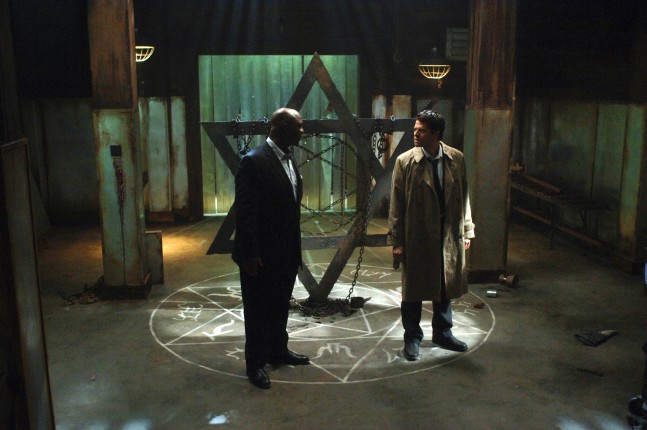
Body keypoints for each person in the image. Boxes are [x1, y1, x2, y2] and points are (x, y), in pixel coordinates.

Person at [232, 107, 310, 388]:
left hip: (285, 252)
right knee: (257, 310)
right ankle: (254, 363)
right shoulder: (253, 161)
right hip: (261, 255)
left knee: (279, 305)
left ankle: (278, 350)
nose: (303, 131)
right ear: (281, 128)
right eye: (299, 126)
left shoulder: (288, 158)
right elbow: (245, 212)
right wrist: (250, 253)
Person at [388, 110, 475, 361]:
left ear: (436, 134)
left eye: (422, 130)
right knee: (413, 289)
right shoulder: (405, 161)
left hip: (448, 232)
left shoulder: (456, 158)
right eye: (415, 129)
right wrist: (397, 241)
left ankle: (443, 333)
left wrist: (467, 230)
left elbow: (464, 195)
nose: (415, 134)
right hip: (417, 234)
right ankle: (412, 337)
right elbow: (396, 204)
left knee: (445, 283)